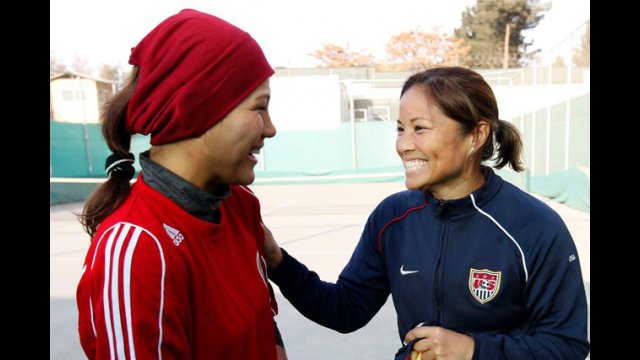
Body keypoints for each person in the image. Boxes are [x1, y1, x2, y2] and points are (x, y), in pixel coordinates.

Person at [263, 66, 590, 359]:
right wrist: (277, 261)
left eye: (420, 128)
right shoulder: (392, 218)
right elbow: (345, 310)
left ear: (476, 135)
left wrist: (471, 350)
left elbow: (566, 344)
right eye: (400, 128)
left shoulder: (534, 226)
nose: (404, 144)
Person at [76, 9, 287, 359]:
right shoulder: (135, 248)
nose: (270, 128)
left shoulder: (241, 205)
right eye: (259, 108)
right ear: (198, 108)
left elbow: (265, 332)